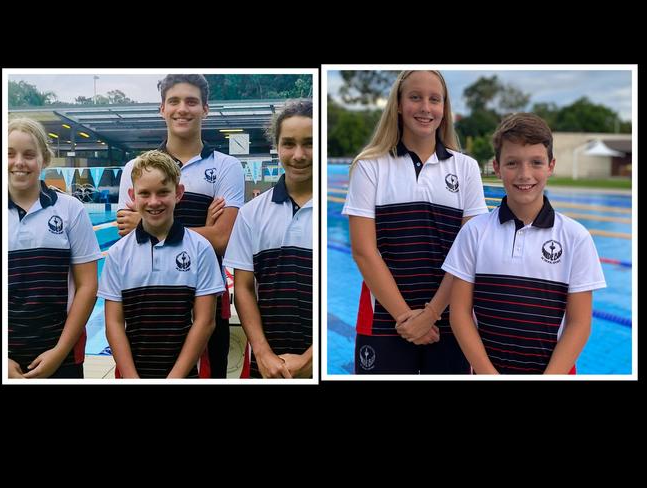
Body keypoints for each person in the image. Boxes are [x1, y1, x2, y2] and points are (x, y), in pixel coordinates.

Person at [342, 70, 488, 374]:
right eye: (415, 97)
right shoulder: (369, 166)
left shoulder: (466, 169)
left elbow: (468, 255)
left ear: (445, 109)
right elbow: (364, 252)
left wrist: (431, 313)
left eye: (435, 99)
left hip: (453, 320)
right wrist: (407, 318)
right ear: (397, 104)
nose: (425, 107)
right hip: (383, 318)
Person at [442, 113, 606, 374]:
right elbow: (459, 314)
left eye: (536, 162)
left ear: (551, 166)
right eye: (512, 163)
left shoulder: (576, 237)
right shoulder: (474, 232)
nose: (524, 174)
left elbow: (579, 323)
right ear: (496, 167)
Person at [116, 74, 244, 378]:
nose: (182, 109)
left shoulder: (227, 167)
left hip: (205, 297)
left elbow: (224, 237)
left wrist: (146, 222)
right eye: (173, 101)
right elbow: (128, 234)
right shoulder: (135, 169)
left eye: (191, 101)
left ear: (205, 109)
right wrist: (203, 230)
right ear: (162, 109)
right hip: (146, 298)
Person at [99, 150, 225, 378]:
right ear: (132, 195)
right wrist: (131, 378)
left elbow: (205, 322)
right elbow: (114, 324)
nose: (154, 202)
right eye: (144, 193)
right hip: (133, 372)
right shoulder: (118, 253)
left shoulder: (200, 248)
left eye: (163, 192)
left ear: (178, 193)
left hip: (186, 373)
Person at [223, 100, 313, 378]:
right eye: (289, 143)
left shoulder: (340, 212)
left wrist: (312, 358)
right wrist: (263, 353)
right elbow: (245, 289)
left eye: (310, 143)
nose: (298, 155)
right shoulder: (251, 214)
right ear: (276, 146)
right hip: (268, 364)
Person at [8, 117, 101, 379]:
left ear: (44, 160)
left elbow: (88, 285)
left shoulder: (70, 209)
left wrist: (60, 351)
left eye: (29, 154)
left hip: (63, 354)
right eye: (10, 154)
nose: (19, 162)